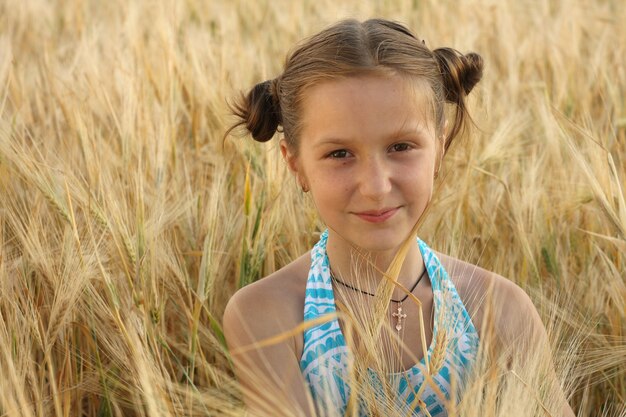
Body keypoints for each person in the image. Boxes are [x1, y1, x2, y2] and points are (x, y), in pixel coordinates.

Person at [222, 18, 575, 417]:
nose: (375, 186)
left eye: (401, 146)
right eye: (339, 154)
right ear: (296, 164)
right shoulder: (268, 315)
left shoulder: (498, 310)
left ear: (439, 150)